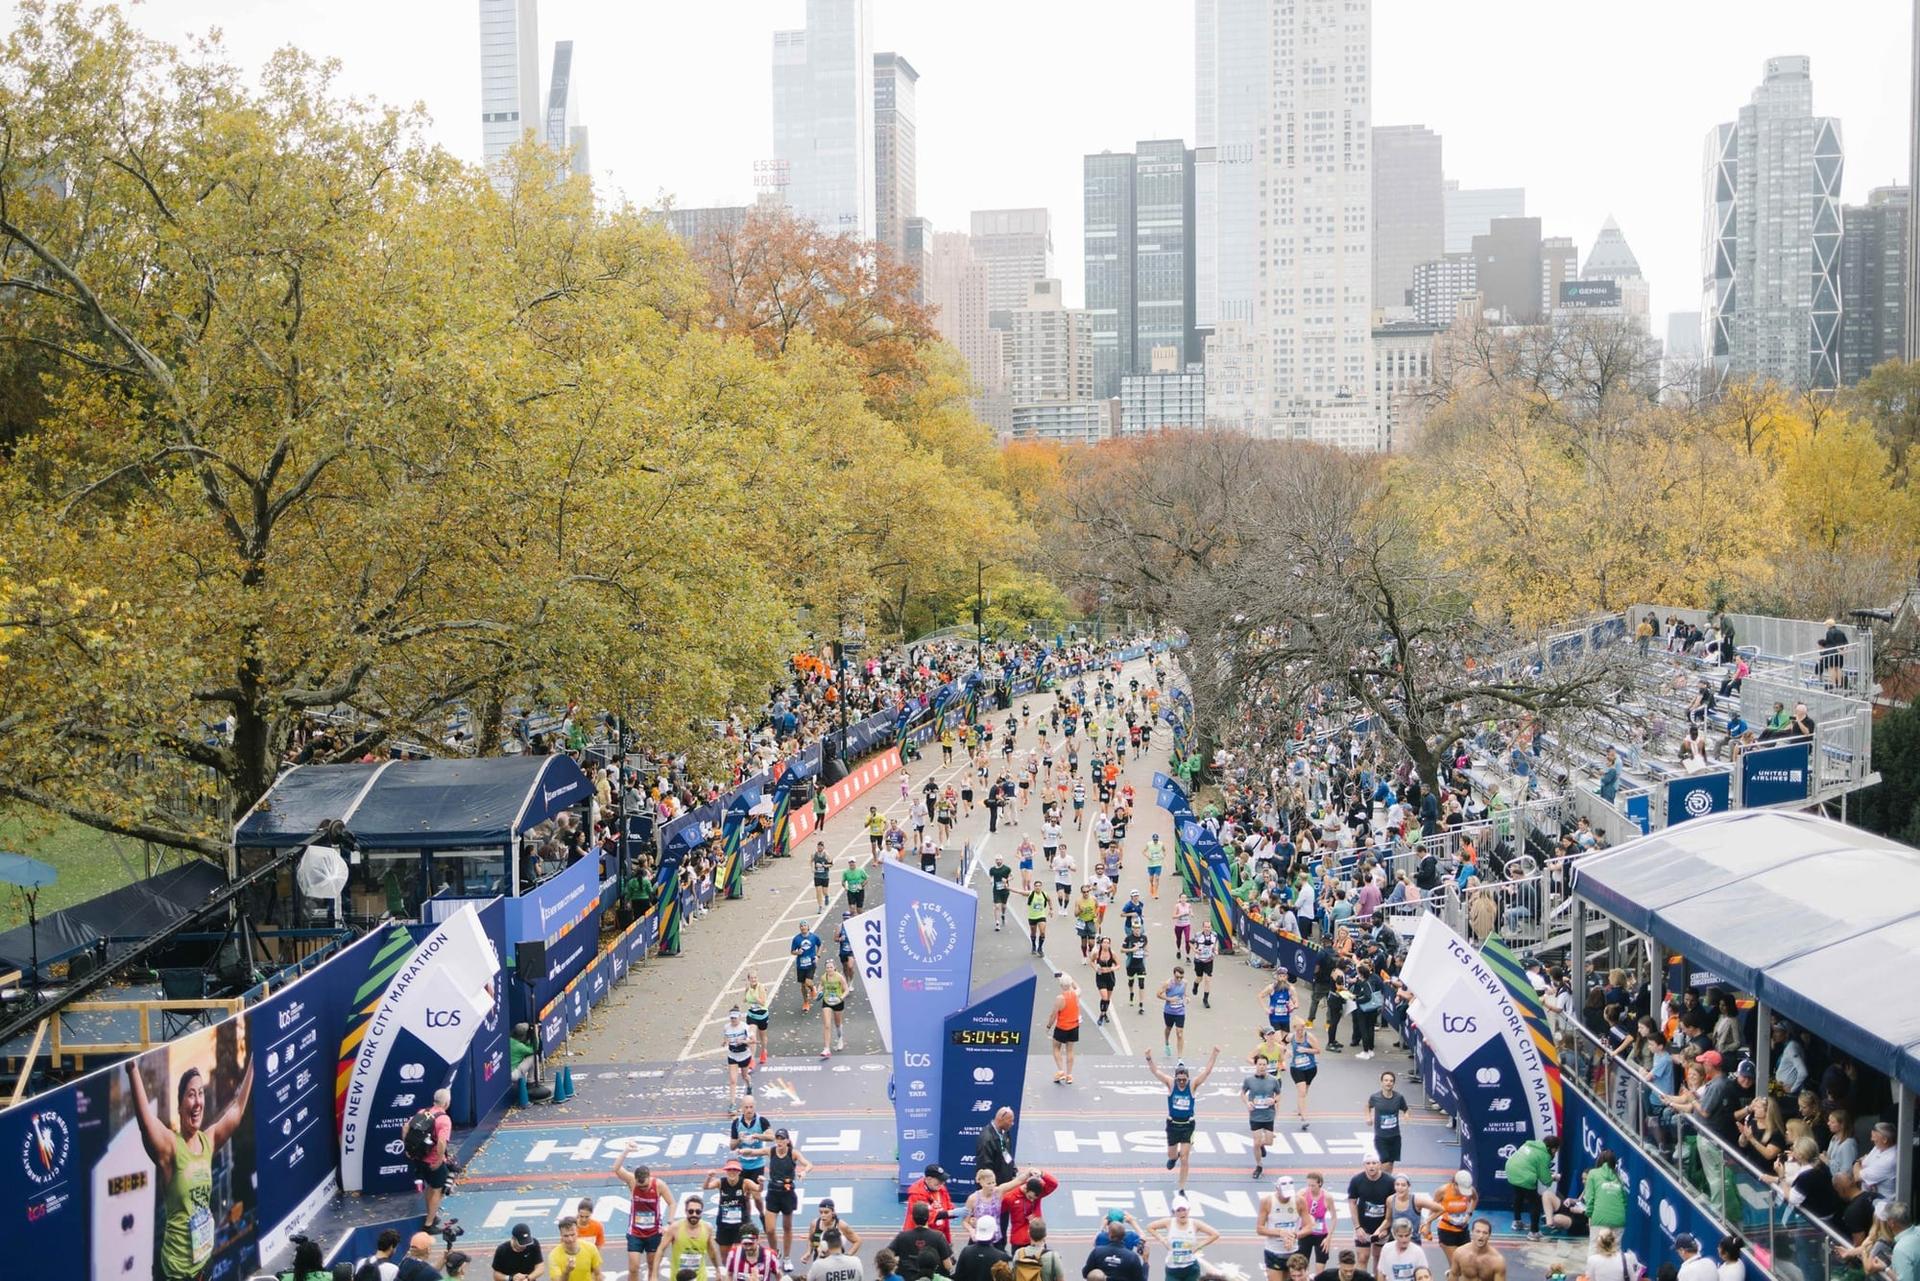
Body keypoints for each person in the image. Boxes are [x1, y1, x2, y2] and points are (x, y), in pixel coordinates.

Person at [125, 1053, 257, 1281]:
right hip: (175, 1274)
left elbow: (237, 1110)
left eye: (200, 1094)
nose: (197, 1102)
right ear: (179, 1106)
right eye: (190, 1095)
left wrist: (255, 1061)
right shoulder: (171, 1148)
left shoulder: (209, 1141)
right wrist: (132, 1069)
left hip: (203, 1266)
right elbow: (146, 1122)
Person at [1145, 1045, 1221, 1191]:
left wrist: (1214, 1054)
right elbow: (1155, 1071)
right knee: (1172, 1154)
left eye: (1183, 1079)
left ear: (1187, 1078)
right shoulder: (1170, 1083)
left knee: (1185, 1159)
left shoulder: (1192, 1085)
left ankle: (1181, 1188)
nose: (1181, 1082)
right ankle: (1174, 1157)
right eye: (1179, 1079)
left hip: (1187, 1126)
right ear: (1175, 1078)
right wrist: (1148, 1057)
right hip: (1173, 1125)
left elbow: (1207, 1071)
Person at [613, 1147, 674, 1281]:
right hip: (635, 1232)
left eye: (645, 1186)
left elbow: (672, 1203)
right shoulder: (632, 1181)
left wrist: (670, 1224)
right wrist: (626, 1151)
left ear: (649, 1177)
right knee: (633, 1268)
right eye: (640, 1187)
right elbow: (616, 1168)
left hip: (653, 1233)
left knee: (652, 1267)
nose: (643, 1188)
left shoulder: (659, 1185)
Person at [1502, 1134, 1569, 1240]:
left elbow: (1531, 1165)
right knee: (1535, 1203)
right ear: (1552, 1148)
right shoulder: (1544, 1155)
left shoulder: (1530, 1144)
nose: (1555, 1153)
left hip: (1511, 1169)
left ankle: (1517, 1223)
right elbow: (1545, 1180)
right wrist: (1554, 1178)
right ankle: (1534, 1232)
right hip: (1524, 1176)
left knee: (1518, 1195)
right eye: (1556, 1150)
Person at [761, 1129, 811, 1259]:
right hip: (772, 1192)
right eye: (777, 1138)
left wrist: (804, 1172)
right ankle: (774, 1253)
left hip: (787, 1193)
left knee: (787, 1227)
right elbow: (754, 1152)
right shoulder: (771, 1151)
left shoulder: (793, 1153)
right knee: (770, 1229)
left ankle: (787, 1257)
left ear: (787, 1141)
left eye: (782, 1138)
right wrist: (742, 1150)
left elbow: (809, 1164)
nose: (779, 1141)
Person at [1145, 1198, 1220, 1281]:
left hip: (1191, 1268)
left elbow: (1215, 1234)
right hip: (1173, 1269)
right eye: (1178, 1210)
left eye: (1184, 1210)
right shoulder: (1169, 1222)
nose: (1182, 1213)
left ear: (1188, 1210)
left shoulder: (1195, 1223)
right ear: (1174, 1212)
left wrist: (1199, 1246)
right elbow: (1150, 1227)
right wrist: (1163, 1241)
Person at [1346, 1155, 1397, 1274]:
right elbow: (1352, 1202)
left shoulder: (1390, 1182)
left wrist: (1386, 1228)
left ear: (1379, 1164)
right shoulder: (1357, 1180)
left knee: (1379, 1258)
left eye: (1374, 1163)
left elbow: (1394, 1206)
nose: (1371, 1166)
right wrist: (1357, 1227)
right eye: (1368, 1163)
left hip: (1382, 1227)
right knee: (1362, 1258)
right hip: (1363, 1227)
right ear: (1364, 1166)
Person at [887, 1201, 957, 1281]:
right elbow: (948, 1265)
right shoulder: (938, 1236)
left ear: (912, 1217)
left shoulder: (902, 1236)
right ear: (928, 1217)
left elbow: (887, 1256)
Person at [706, 1158, 762, 1253]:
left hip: (741, 1224)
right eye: (729, 1170)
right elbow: (706, 1187)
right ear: (726, 1171)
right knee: (725, 1255)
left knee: (740, 1253)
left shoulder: (745, 1182)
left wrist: (761, 1183)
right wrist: (709, 1177)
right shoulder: (720, 1182)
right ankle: (728, 1268)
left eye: (735, 1170)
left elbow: (758, 1189)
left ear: (739, 1171)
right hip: (724, 1224)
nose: (732, 1172)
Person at [665, 1195, 723, 1281]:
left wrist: (718, 1270)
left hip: (699, 1278)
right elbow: (660, 1250)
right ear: (686, 1211)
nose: (694, 1214)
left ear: (702, 1212)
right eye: (691, 1211)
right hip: (678, 1278)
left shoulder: (707, 1228)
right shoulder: (675, 1228)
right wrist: (654, 1274)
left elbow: (712, 1251)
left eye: (698, 1212)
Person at [1243, 1052, 1283, 1178]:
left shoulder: (1273, 1080)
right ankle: (1259, 1166)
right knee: (1255, 1142)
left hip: (1268, 1115)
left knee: (1269, 1142)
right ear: (1256, 1065)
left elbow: (1279, 1094)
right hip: (1255, 1115)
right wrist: (1247, 1103)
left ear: (1267, 1066)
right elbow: (1242, 1093)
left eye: (1264, 1064)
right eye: (1260, 1064)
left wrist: (1274, 1100)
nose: (1262, 1067)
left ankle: (1261, 1145)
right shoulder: (1249, 1080)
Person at [1258, 1176, 1306, 1281]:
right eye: (1284, 1194)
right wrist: (1280, 1232)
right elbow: (1260, 1229)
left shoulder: (1299, 1201)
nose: (1286, 1197)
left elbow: (1309, 1226)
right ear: (1277, 1188)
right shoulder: (1267, 1201)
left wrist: (1295, 1235)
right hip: (1274, 1251)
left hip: (1293, 1251)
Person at [1426, 1172, 1476, 1269]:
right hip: (1446, 1231)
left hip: (1463, 1231)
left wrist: (1469, 1214)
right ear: (1454, 1184)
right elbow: (1432, 1208)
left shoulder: (1469, 1190)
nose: (1463, 1192)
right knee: (1455, 1266)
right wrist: (1427, 1225)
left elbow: (1475, 1199)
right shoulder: (1442, 1191)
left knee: (1467, 1265)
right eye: (1461, 1189)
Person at [1002, 1171, 1060, 1249]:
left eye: (1035, 1199)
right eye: (1030, 1197)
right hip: (1019, 1241)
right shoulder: (1010, 1197)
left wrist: (1042, 1173)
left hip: (1037, 1237)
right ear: (1025, 1188)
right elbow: (999, 1212)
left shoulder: (1038, 1190)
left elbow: (1054, 1183)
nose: (1032, 1200)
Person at [1580, 1150, 1627, 1245]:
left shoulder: (1593, 1173)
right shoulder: (1619, 1178)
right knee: (1614, 1252)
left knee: (1595, 1249)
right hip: (1619, 1220)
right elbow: (1624, 1203)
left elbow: (1590, 1198)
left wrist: (1589, 1214)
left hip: (1599, 1219)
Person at [1365, 1072, 1410, 1171]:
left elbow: (1406, 1109)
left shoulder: (1399, 1097)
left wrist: (1406, 1115)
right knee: (1385, 1162)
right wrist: (1368, 1117)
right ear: (1381, 1082)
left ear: (1394, 1083)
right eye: (1386, 1080)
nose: (1388, 1083)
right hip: (1381, 1137)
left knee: (1390, 1163)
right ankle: (1379, 1180)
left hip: (1395, 1136)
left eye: (1391, 1081)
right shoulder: (1375, 1097)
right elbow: (1367, 1106)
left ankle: (1384, 1182)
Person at [904, 1164, 956, 1244]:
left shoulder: (941, 1189)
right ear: (928, 1179)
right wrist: (949, 1213)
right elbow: (926, 1216)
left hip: (939, 1236)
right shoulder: (916, 1194)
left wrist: (955, 1212)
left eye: (943, 1181)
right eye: (939, 1180)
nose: (942, 1183)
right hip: (919, 1239)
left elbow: (948, 1206)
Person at [1086, 1220, 1150, 1281]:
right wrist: (1145, 1262)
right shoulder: (1132, 1257)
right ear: (1124, 1235)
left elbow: (1086, 1273)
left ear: (1109, 1235)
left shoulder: (1097, 1252)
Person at [803, 1200, 863, 1265]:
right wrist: (808, 1252)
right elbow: (811, 1239)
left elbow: (858, 1241)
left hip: (837, 1263)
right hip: (819, 1261)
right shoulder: (814, 1224)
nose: (823, 1215)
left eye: (826, 1212)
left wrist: (848, 1255)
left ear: (833, 1212)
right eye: (821, 1212)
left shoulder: (841, 1225)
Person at [1048, 973, 1083, 1083]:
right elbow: (1078, 988)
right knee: (1070, 1050)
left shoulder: (1060, 998)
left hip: (1062, 1027)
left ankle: (1061, 1070)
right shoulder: (1076, 994)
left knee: (1056, 1048)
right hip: (1074, 1027)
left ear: (1061, 985)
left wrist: (1048, 1026)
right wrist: (1071, 978)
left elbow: (1053, 1014)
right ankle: (1069, 1074)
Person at [548, 1216, 605, 1281]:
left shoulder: (591, 1248)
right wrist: (567, 1271)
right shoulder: (554, 1256)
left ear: (577, 1232)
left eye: (572, 1235)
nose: (570, 1239)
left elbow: (598, 1274)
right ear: (561, 1235)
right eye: (566, 1236)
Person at [1288, 1025, 1321, 1130]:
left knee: (1304, 1092)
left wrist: (1306, 1050)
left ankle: (1300, 1108)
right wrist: (1286, 1052)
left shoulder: (1309, 1037)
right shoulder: (1291, 1037)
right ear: (1294, 1030)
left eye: (1302, 1030)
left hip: (1310, 1068)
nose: (1300, 1032)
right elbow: (1281, 1043)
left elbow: (1318, 1050)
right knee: (1302, 1092)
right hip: (1296, 1068)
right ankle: (1304, 1117)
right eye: (1298, 1030)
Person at [1298, 1177, 1336, 1268]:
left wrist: (1329, 1237)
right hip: (1305, 1233)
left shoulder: (1327, 1197)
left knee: (1320, 1264)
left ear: (1320, 1184)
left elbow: (1334, 1217)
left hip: (1321, 1234)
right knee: (1302, 1265)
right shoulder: (1302, 1194)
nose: (1310, 1188)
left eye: (1313, 1185)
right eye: (1309, 1185)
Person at [977, 1107, 1019, 1188]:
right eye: (1010, 1121)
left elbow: (1007, 1153)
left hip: (1005, 1183)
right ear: (1001, 1119)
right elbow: (985, 1166)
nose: (1012, 1123)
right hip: (993, 1187)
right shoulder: (986, 1139)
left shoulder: (1005, 1132)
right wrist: (991, 1186)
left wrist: (1013, 1170)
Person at [723, 1008, 756, 1109]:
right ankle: (732, 1103)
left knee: (744, 1075)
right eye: (732, 1018)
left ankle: (749, 1084)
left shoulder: (745, 1027)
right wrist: (725, 1042)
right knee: (733, 1080)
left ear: (739, 1017)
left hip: (744, 1055)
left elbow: (753, 1041)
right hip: (732, 1055)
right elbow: (725, 1038)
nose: (733, 1020)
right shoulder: (726, 1027)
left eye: (735, 1018)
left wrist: (743, 1041)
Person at [1156, 966, 1191, 1058]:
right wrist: (1169, 999)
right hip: (1169, 1011)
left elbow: (1184, 993)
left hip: (1180, 1011)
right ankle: (1167, 1043)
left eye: (1181, 977)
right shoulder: (1168, 983)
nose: (1179, 979)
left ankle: (1180, 1057)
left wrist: (1187, 997)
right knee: (1168, 1028)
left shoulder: (1185, 983)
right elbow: (1158, 994)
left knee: (1179, 1033)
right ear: (1174, 975)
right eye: (1177, 977)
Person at [820, 960, 850, 1058]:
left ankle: (840, 1039)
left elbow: (846, 990)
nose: (829, 969)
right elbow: (821, 985)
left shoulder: (839, 977)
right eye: (827, 967)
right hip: (827, 1001)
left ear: (834, 968)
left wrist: (840, 998)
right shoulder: (824, 977)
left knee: (838, 1024)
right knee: (827, 1025)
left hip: (838, 1001)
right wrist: (818, 991)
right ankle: (826, 1048)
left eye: (831, 967)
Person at [742, 972, 773, 1066]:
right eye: (752, 978)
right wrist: (747, 995)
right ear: (749, 979)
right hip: (751, 1015)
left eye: (755, 978)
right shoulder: (748, 987)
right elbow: (744, 1000)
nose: (754, 979)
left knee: (762, 1036)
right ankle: (751, 1059)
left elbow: (763, 1003)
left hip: (762, 1015)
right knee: (751, 1036)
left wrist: (755, 997)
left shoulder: (761, 987)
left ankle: (764, 1051)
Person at [792, 921, 824, 1011]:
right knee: (803, 985)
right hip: (801, 965)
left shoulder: (814, 937)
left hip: (811, 963)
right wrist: (797, 952)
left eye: (805, 925)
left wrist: (818, 956)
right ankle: (806, 1002)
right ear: (800, 928)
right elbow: (792, 951)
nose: (803, 927)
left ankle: (813, 989)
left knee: (808, 982)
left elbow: (820, 944)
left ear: (808, 927)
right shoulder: (796, 939)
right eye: (801, 926)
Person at [1190, 925, 1218, 1010]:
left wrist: (1216, 949)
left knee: (1207, 979)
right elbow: (1190, 942)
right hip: (1199, 960)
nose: (1207, 928)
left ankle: (1205, 999)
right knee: (1199, 978)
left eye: (1209, 927)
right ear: (1203, 927)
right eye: (1206, 927)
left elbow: (1216, 942)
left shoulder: (1214, 935)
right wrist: (1195, 950)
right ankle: (1195, 985)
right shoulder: (1198, 935)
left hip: (1209, 960)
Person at [990, 855, 1014, 929]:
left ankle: (1003, 914)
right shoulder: (992, 869)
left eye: (1000, 860)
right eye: (997, 860)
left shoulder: (1007, 869)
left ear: (1002, 860)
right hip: (996, 890)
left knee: (1003, 906)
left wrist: (1007, 880)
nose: (998, 861)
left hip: (1005, 890)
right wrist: (991, 880)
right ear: (995, 861)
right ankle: (997, 923)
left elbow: (1012, 876)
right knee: (997, 906)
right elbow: (991, 877)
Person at [1027, 885, 1051, 955]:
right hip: (1032, 917)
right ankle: (1034, 945)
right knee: (1033, 932)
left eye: (1039, 886)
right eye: (1036, 886)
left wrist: (1051, 909)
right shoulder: (1031, 894)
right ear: (1034, 887)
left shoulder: (1044, 894)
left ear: (1041, 887)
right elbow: (1019, 892)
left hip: (1041, 916)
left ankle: (1040, 948)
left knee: (1042, 932)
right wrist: (1008, 888)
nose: (1038, 887)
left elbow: (1049, 900)